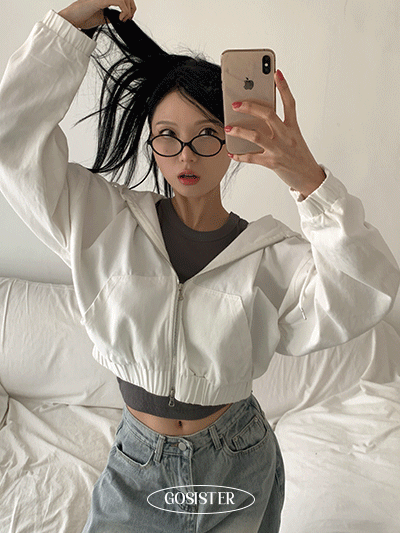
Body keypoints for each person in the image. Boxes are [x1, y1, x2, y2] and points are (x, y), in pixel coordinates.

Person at [0, 1, 398, 531]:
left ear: (232, 142)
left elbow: (366, 287)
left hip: (239, 457)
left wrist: (307, 177)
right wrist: (72, 25)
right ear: (151, 141)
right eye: (167, 135)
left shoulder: (269, 254)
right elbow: (12, 139)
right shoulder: (100, 220)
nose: (185, 155)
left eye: (207, 134)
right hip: (138, 462)